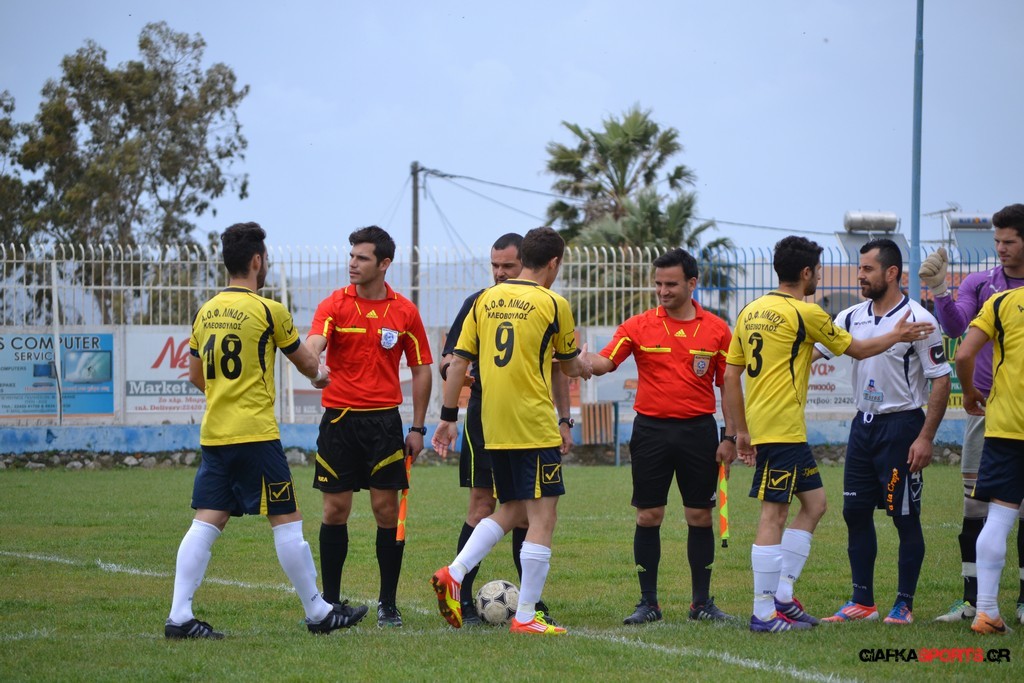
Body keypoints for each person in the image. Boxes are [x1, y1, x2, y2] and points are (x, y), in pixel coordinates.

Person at [165, 221, 368, 639]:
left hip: (215, 434)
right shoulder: (268, 310)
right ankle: (318, 612)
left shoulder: (205, 311)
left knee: (207, 521)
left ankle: (179, 616)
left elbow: (196, 375)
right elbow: (307, 363)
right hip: (256, 434)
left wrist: (225, 395)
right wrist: (320, 376)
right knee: (287, 519)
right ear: (257, 261)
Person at [724, 235, 934, 633]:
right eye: (818, 272)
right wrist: (898, 335)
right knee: (774, 514)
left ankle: (783, 596)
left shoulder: (751, 310)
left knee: (816, 504)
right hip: (781, 430)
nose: (819, 278)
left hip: (776, 429)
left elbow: (731, 376)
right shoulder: (807, 312)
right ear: (806, 272)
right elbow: (858, 350)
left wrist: (740, 431)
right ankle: (763, 614)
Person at [430, 226, 593, 635]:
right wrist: (589, 364)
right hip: (532, 424)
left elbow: (456, 364)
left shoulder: (484, 300)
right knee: (544, 515)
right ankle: (525, 616)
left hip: (491, 424)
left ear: (524, 259)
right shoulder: (553, 303)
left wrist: (448, 417)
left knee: (515, 509)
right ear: (553, 263)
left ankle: (455, 573)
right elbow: (569, 366)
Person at [585, 248, 737, 624]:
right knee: (649, 515)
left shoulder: (717, 329)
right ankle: (648, 604)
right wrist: (580, 362)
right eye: (658, 284)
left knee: (699, 515)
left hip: (699, 431)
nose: (663, 291)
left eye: (671, 284)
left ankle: (701, 603)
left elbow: (729, 386)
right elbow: (605, 362)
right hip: (650, 431)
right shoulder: (638, 325)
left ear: (692, 283)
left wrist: (730, 436)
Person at [814, 239, 950, 625]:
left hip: (901, 428)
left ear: (891, 273)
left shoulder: (919, 319)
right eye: (859, 268)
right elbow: (815, 352)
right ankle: (863, 602)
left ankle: (904, 604)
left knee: (903, 517)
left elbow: (941, 380)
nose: (860, 275)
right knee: (854, 513)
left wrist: (925, 437)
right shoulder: (850, 316)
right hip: (863, 427)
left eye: (867, 269)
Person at [305, 225, 432, 628]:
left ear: (384, 263)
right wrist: (313, 361)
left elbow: (421, 369)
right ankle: (329, 603)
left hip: (384, 424)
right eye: (351, 256)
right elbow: (314, 341)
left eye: (362, 258)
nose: (353, 264)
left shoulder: (404, 311)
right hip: (339, 421)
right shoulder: (334, 304)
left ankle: (387, 604)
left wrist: (418, 428)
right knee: (334, 509)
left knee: (385, 511)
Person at [920, 203, 1024, 625]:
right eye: (997, 241)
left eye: (1008, 241)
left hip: (1005, 419)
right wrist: (940, 291)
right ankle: (972, 601)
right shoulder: (983, 283)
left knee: (1006, 513)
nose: (1000, 248)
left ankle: (1017, 603)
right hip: (988, 413)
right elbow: (954, 328)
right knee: (976, 509)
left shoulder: (1006, 300)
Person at [956, 284, 1024, 635]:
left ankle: (986, 612)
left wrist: (969, 393)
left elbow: (964, 355)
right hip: (1007, 429)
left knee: (998, 517)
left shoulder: (1001, 303)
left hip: (1007, 427)